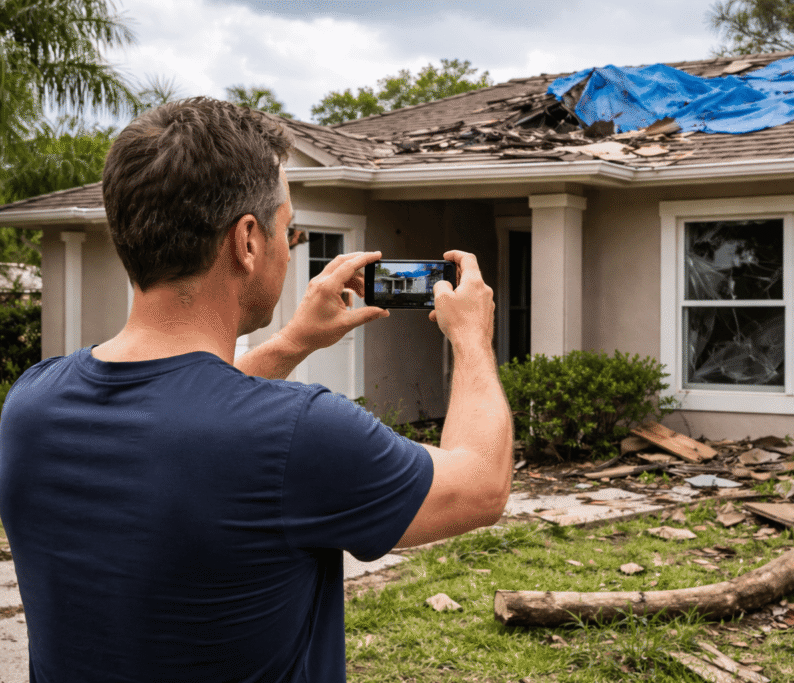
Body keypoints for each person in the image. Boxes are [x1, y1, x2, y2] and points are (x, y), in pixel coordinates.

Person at [0, 97, 514, 682]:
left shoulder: (31, 405)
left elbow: (175, 413)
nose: (287, 243)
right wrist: (471, 338)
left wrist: (293, 342)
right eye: (285, 226)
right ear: (247, 241)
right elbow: (481, 485)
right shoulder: (298, 433)